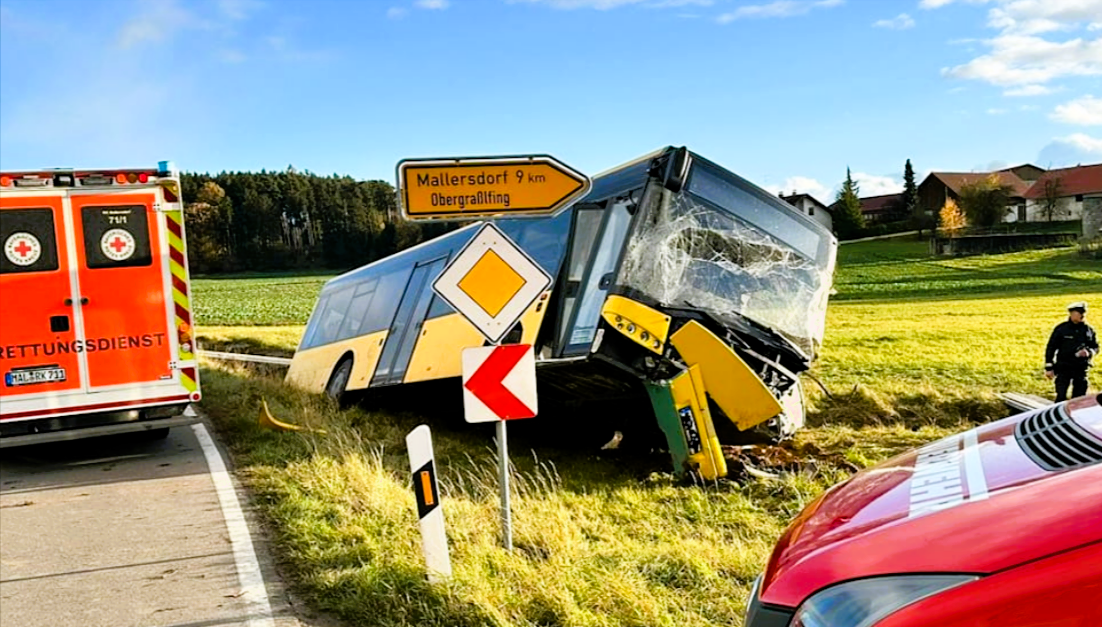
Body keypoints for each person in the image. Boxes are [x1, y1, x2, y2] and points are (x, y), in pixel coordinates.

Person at [1045, 302, 1098, 402]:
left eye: (1083, 313)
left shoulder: (1088, 330)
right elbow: (1051, 347)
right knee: (1061, 395)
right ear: (1071, 314)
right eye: (1079, 313)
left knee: (1079, 398)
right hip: (1064, 367)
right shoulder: (1061, 329)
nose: (1082, 316)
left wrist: (1089, 352)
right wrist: (1049, 367)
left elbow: (1095, 346)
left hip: (1081, 368)